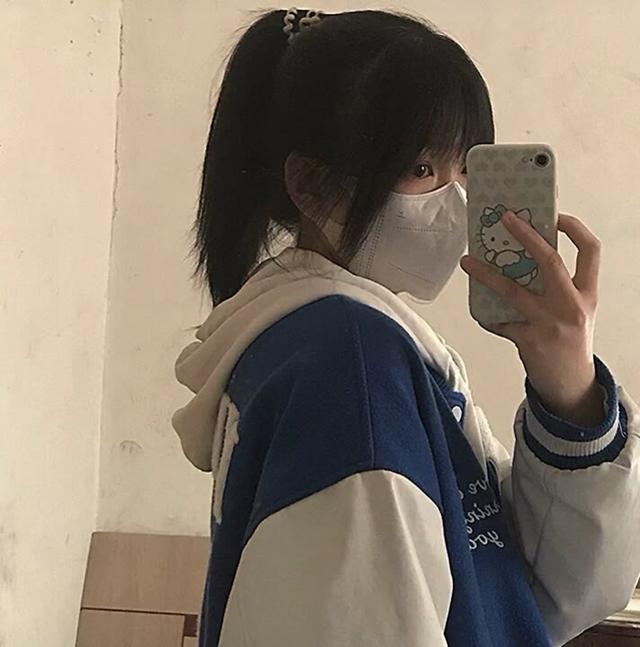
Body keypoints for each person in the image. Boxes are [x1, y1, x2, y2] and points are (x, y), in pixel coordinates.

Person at [171, 8, 640, 646]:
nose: (456, 200)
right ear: (312, 186)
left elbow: (531, 594)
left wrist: (569, 391)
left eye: (466, 168)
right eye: (421, 170)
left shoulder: (348, 344)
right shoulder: (349, 362)